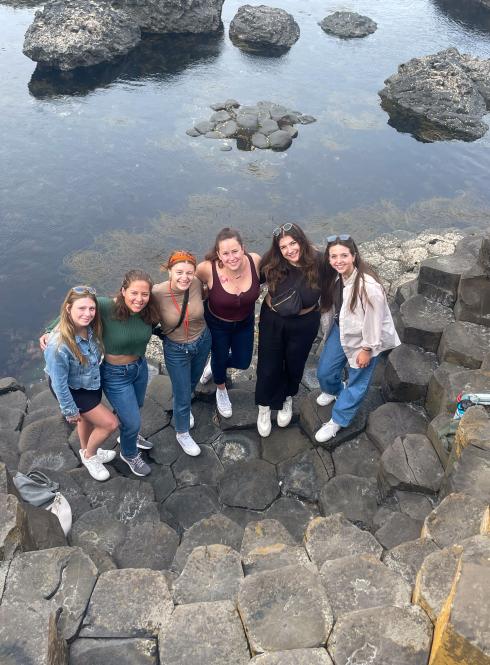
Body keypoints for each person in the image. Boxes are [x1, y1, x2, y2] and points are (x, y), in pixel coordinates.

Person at [41, 270, 161, 477]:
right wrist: (49, 329)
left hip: (138, 368)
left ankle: (126, 437)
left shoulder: (148, 312)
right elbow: (78, 304)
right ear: (123, 291)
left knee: (135, 407)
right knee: (129, 421)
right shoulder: (106, 306)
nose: (139, 299)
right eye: (134, 293)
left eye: (144, 294)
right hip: (114, 374)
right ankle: (128, 453)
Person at [315, 235, 400, 443]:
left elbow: (374, 322)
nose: (338, 261)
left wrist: (367, 349)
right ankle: (335, 390)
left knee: (357, 381)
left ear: (354, 256)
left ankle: (338, 419)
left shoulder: (369, 287)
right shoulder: (336, 276)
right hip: (342, 330)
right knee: (325, 371)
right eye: (333, 256)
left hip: (366, 340)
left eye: (344, 255)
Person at [44, 286, 119, 482]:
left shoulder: (91, 328)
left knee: (86, 420)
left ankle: (86, 448)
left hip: (89, 382)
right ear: (68, 308)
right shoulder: (58, 345)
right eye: (81, 308)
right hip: (73, 389)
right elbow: (59, 383)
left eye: (92, 309)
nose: (88, 314)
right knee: (110, 424)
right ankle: (90, 456)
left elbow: (115, 300)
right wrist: (69, 409)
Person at [255, 223, 322, 437]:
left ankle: (286, 397)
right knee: (268, 363)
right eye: (284, 247)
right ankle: (264, 405)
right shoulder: (272, 262)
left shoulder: (319, 261)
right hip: (273, 320)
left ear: (301, 241)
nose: (289, 250)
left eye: (293, 243)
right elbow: (248, 279)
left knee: (295, 362)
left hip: (305, 322)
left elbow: (343, 275)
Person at [196, 228, 261, 418]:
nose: (231, 257)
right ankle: (221, 389)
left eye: (235, 251)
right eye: (225, 253)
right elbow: (186, 283)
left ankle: (215, 364)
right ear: (218, 254)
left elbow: (271, 277)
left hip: (245, 322)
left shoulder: (255, 261)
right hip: (217, 324)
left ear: (243, 249)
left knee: (243, 361)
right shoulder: (207, 268)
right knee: (219, 357)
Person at [153, 250, 211, 456]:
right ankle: (182, 431)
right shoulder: (156, 293)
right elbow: (125, 303)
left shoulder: (196, 283)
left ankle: (184, 411)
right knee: (183, 393)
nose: (184, 277)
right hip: (176, 349)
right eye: (179, 272)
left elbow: (222, 271)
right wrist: (56, 329)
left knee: (192, 382)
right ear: (169, 271)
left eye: (189, 272)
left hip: (202, 341)